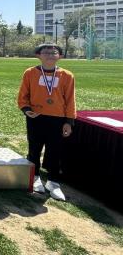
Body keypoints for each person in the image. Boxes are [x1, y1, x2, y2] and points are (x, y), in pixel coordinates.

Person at [18, 43, 75, 201]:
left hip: (58, 118)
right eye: (46, 52)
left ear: (60, 56)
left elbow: (70, 100)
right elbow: (23, 95)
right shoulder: (30, 73)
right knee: (34, 148)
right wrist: (26, 109)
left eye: (54, 52)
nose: (50, 55)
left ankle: (53, 182)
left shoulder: (67, 75)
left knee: (55, 151)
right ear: (38, 55)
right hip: (36, 117)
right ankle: (35, 177)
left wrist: (69, 121)